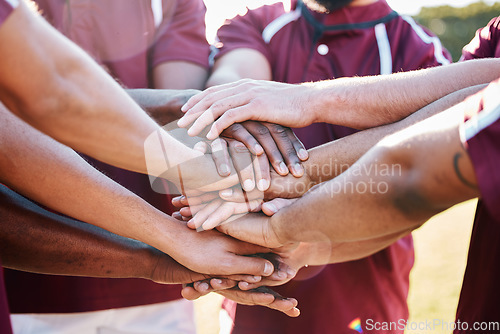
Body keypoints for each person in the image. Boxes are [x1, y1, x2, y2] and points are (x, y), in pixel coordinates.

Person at [182, 0, 452, 332]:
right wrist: (234, 119)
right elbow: (232, 79)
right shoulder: (259, 21)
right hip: (251, 305)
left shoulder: (419, 52)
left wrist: (301, 237)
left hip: (363, 300)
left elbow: (423, 181)